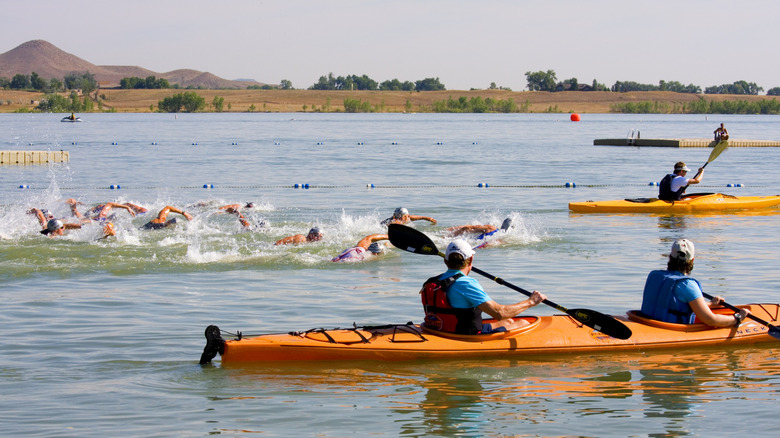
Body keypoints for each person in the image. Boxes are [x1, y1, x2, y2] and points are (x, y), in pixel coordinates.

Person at [421, 239, 546, 334]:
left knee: (508, 322)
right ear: (470, 260)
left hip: (439, 330)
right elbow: (500, 313)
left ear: (445, 261)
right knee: (523, 323)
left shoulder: (432, 282)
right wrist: (531, 301)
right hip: (465, 336)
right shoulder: (466, 283)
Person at [641, 239, 749, 327]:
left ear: (670, 257)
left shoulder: (654, 275)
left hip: (646, 323)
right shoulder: (688, 285)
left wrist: (711, 304)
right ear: (692, 260)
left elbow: (665, 304)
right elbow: (711, 320)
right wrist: (738, 318)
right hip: (668, 330)